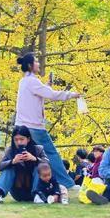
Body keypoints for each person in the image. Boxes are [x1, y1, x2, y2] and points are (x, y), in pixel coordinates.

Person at [14, 52, 81, 190]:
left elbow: (38, 95)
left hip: (21, 126)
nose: (38, 63)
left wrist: (46, 86)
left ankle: (30, 187)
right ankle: (67, 184)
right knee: (51, 154)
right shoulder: (32, 81)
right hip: (34, 127)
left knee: (28, 156)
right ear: (30, 65)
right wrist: (72, 95)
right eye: (36, 61)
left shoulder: (24, 81)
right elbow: (52, 95)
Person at [0, 125, 49, 203]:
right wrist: (12, 161)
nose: (19, 142)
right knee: (10, 167)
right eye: (16, 140)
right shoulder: (10, 151)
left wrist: (34, 159)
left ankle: (38, 195)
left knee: (40, 167)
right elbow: (0, 167)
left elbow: (48, 164)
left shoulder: (38, 149)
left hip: (36, 189)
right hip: (17, 191)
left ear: (28, 139)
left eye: (22, 139)